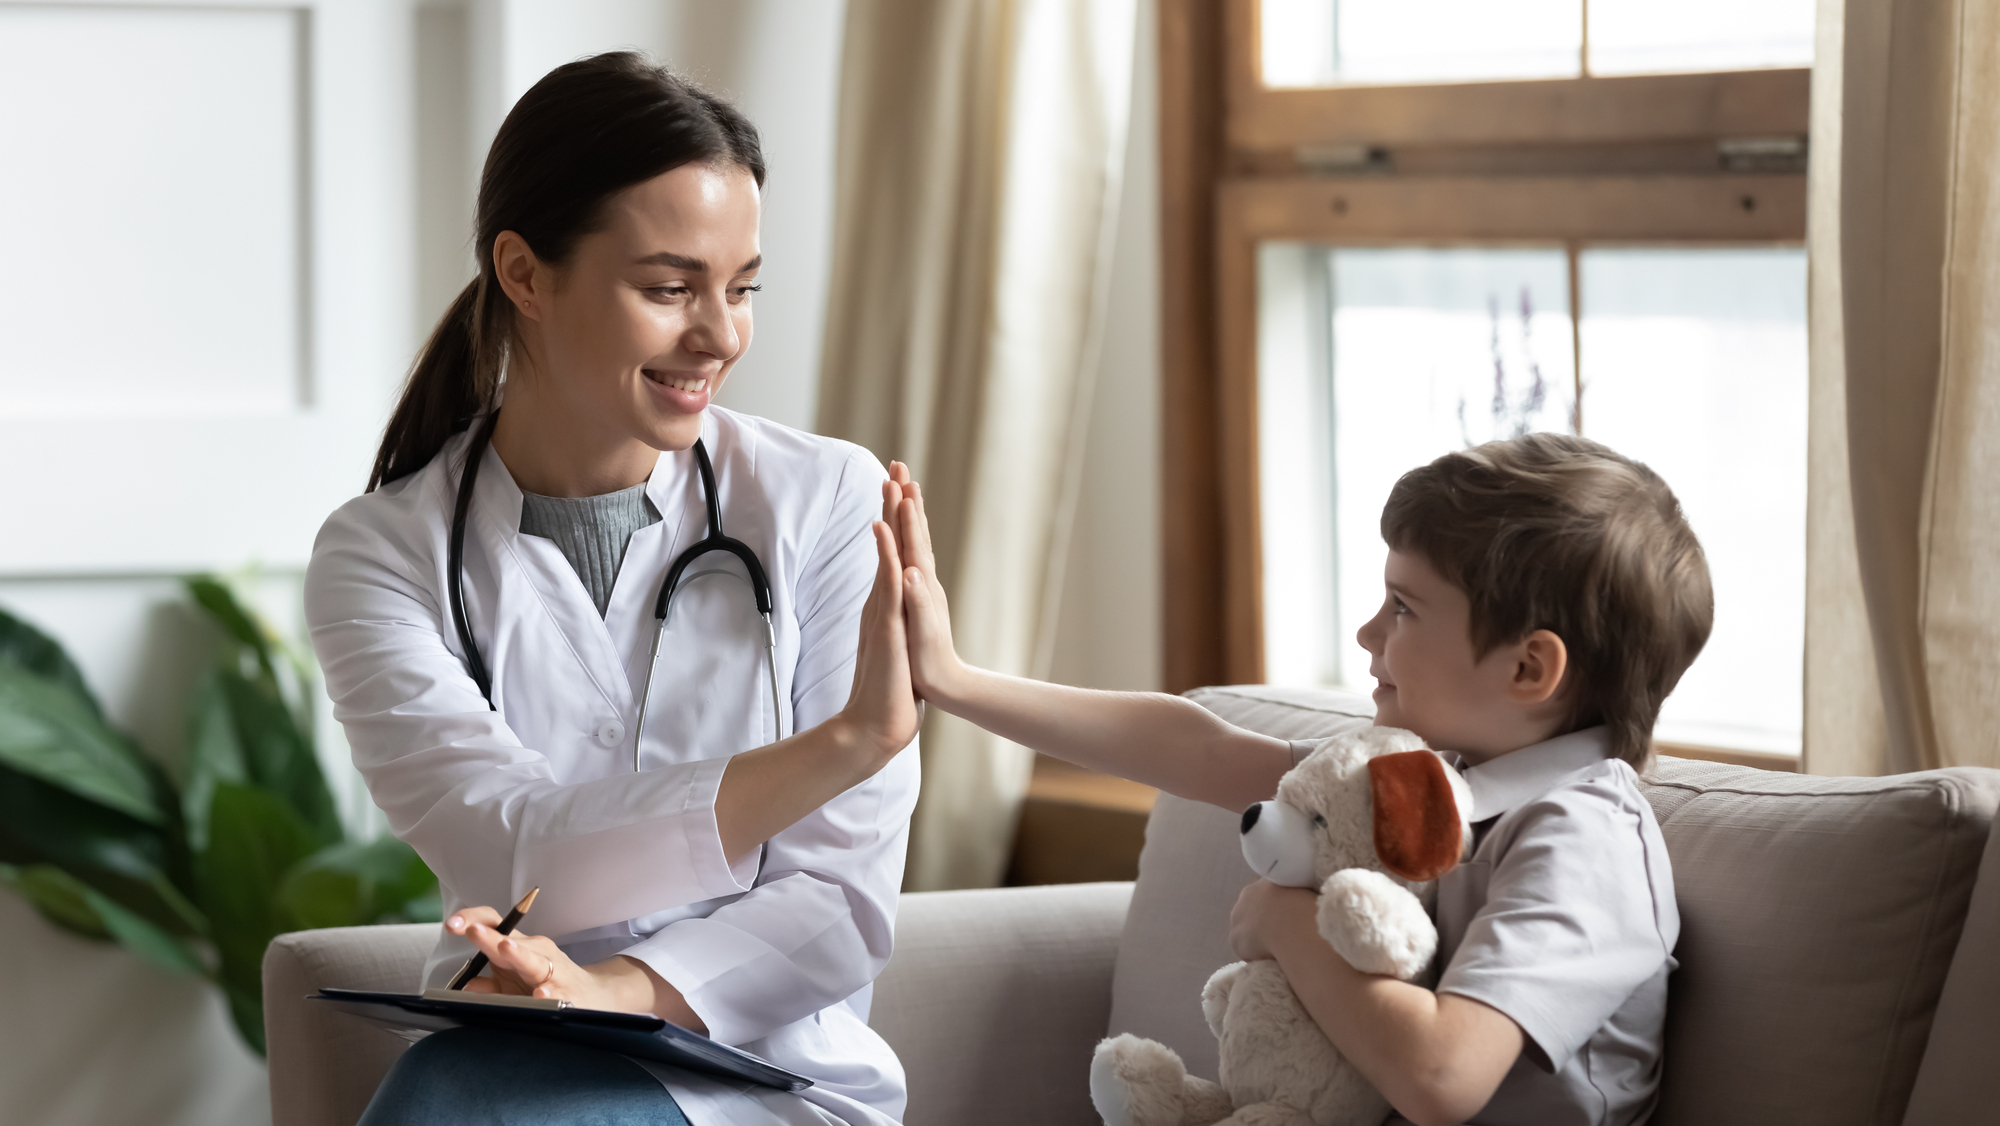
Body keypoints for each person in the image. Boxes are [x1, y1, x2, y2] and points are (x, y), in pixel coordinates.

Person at [304, 54, 922, 1126]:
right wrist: (839, 747)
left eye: (742, 289)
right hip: (516, 1048)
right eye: (669, 288)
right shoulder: (381, 555)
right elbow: (507, 846)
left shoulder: (826, 502)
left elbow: (839, 901)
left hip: (768, 1076)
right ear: (526, 274)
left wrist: (617, 991)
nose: (720, 335)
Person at [884, 432, 1711, 1126]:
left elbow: (1441, 1077)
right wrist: (955, 680)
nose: (1367, 631)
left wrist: (1289, 924)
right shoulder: (1431, 769)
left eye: (1404, 608)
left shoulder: (1583, 839)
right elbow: (1198, 751)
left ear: (1530, 667)